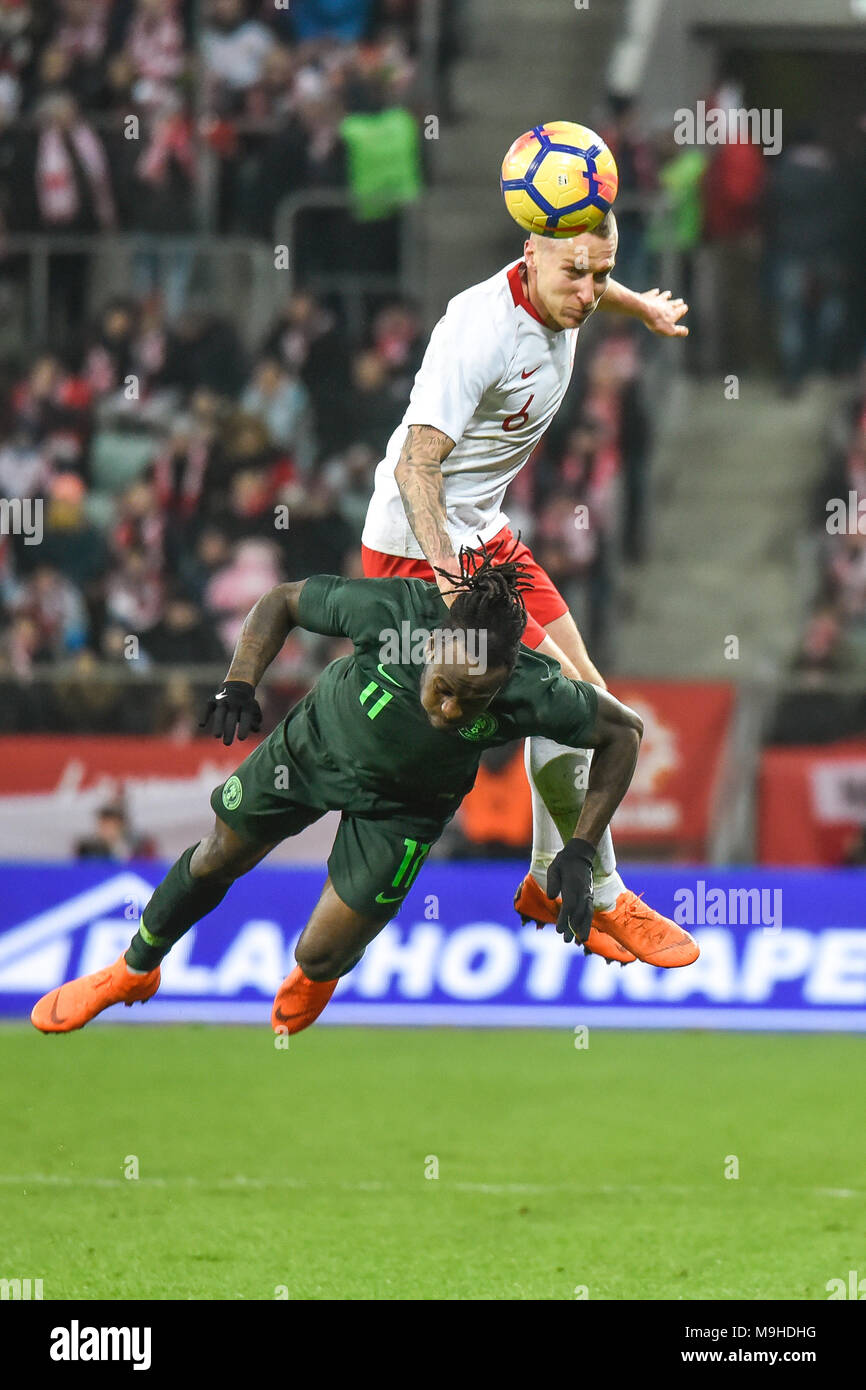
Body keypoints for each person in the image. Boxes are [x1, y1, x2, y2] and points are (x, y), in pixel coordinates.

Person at [31, 542, 698, 1035]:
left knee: (319, 953)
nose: (452, 710)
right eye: (447, 687)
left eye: (476, 701)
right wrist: (238, 681)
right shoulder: (392, 612)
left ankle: (317, 975)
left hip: (406, 811)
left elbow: (624, 734)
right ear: (433, 640)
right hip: (314, 748)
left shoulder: (530, 686)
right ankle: (134, 968)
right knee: (216, 857)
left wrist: (580, 850)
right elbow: (282, 600)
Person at [360, 210, 690, 946]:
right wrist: (450, 584)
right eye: (577, 273)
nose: (589, 290)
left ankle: (546, 875)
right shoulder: (482, 333)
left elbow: (590, 274)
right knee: (572, 702)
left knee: (590, 691)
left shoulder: (567, 282)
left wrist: (642, 307)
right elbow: (416, 465)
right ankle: (601, 890)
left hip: (485, 528)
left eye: (601, 274)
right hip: (423, 541)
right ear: (528, 253)